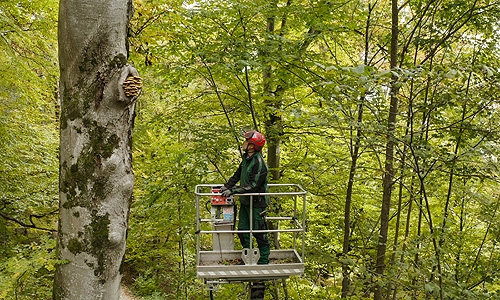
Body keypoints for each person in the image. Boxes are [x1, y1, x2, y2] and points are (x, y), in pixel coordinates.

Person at [220, 130, 270, 265]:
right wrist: (227, 186)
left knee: (259, 230)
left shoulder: (259, 163)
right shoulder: (246, 160)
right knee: (243, 230)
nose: (243, 143)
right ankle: (248, 257)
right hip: (246, 202)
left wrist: (233, 190)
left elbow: (253, 186)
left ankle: (264, 259)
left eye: (246, 141)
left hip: (257, 203)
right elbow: (237, 174)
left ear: (252, 146)